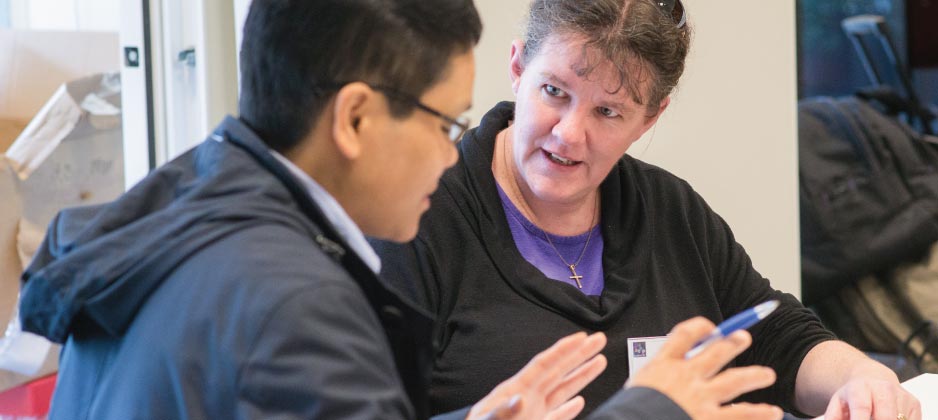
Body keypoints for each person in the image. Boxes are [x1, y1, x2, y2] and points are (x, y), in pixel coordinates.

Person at [14, 0, 784, 419]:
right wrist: (650, 413)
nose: (453, 156)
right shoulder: (296, 305)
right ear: (355, 118)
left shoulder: (184, 214)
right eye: (446, 124)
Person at [371, 0, 923, 419]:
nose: (569, 135)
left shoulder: (668, 210)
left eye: (608, 112)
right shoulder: (416, 216)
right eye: (554, 92)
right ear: (518, 67)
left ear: (650, 119)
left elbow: (776, 336)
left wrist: (861, 377)